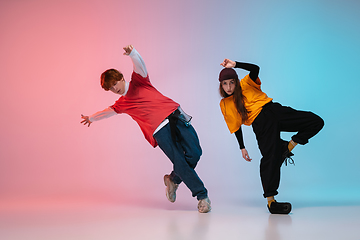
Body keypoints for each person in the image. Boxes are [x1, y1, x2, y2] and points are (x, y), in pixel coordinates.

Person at [81, 45, 211, 213]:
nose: (115, 88)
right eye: (111, 88)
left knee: (195, 153)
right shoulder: (121, 104)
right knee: (180, 161)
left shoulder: (139, 81)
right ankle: (202, 197)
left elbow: (139, 66)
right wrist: (91, 118)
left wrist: (133, 54)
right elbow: (107, 112)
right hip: (159, 131)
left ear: (121, 77)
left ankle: (173, 179)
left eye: (115, 83)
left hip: (176, 116)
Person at [218, 58, 324, 214]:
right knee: (270, 159)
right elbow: (236, 127)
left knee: (315, 121)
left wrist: (235, 64)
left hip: (274, 111)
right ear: (221, 85)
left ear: (236, 81)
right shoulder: (225, 104)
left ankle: (288, 146)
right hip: (261, 124)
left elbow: (255, 69)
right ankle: (271, 202)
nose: (229, 87)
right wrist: (242, 147)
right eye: (225, 83)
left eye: (231, 82)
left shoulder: (246, 84)